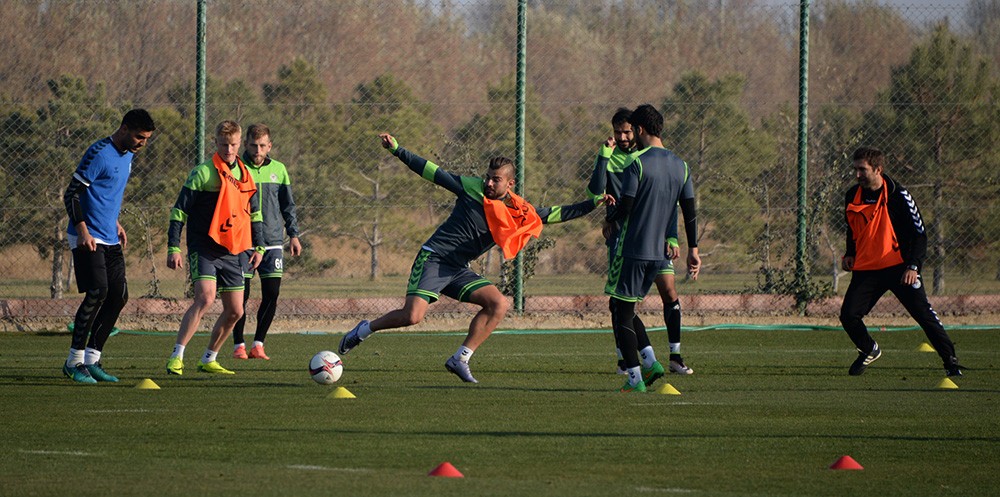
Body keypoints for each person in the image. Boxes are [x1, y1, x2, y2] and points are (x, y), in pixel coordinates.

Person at [337, 133, 610, 383]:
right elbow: (433, 172)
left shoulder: (518, 211)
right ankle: (364, 329)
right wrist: (398, 150)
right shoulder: (471, 188)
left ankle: (461, 358)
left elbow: (554, 214)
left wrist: (591, 205)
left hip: (457, 268)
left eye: (496, 179)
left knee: (498, 304)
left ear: (510, 183)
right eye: (488, 177)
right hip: (434, 259)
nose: (489, 182)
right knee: (412, 316)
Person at [588, 107, 697, 380]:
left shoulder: (636, 162)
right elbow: (688, 210)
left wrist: (610, 220)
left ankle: (636, 375)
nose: (626, 136)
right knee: (628, 307)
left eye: (630, 130)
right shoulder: (681, 165)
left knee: (620, 308)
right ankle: (651, 362)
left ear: (639, 130)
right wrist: (693, 249)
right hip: (658, 253)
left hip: (632, 248)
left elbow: (627, 205)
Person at [840, 147, 962, 377]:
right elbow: (852, 228)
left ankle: (951, 362)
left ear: (878, 169)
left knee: (923, 315)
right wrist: (850, 253)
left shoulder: (898, 195)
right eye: (855, 169)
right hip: (867, 268)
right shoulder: (851, 195)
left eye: (862, 170)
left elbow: (919, 235)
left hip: (899, 268)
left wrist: (913, 266)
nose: (857, 174)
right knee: (848, 316)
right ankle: (868, 349)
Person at [61, 109, 155, 383]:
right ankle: (73, 362)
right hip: (87, 236)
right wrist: (83, 231)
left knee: (118, 296)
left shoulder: (128, 156)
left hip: (109, 235)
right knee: (97, 292)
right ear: (124, 129)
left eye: (147, 139)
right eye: (139, 137)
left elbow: (106, 194)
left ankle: (92, 360)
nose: (142, 143)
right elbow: (73, 194)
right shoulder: (100, 153)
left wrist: (115, 223)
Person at [165, 120, 264, 376]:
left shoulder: (245, 175)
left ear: (239, 143)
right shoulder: (203, 172)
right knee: (206, 297)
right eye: (223, 144)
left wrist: (259, 247)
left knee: (235, 311)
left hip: (234, 249)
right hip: (205, 246)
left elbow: (254, 214)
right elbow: (179, 210)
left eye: (232, 145)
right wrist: (173, 246)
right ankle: (177, 356)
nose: (228, 150)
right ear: (215, 143)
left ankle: (209, 358)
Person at [231, 124, 302, 360]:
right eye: (253, 145)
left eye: (262, 145)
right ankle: (238, 345)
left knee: (272, 292)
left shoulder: (279, 170)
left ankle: (258, 344)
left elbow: (287, 206)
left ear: (269, 146)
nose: (258, 150)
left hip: (272, 241)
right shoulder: (237, 169)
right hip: (243, 241)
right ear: (246, 145)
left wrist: (293, 234)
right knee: (242, 294)